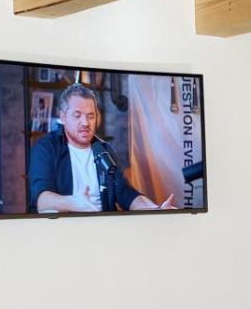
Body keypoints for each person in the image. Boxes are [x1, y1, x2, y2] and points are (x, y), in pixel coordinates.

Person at [28, 82, 174, 214]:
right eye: (77, 115)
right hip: (65, 228)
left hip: (105, 226)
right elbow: (41, 200)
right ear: (63, 117)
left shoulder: (104, 149)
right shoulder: (46, 147)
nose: (85, 122)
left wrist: (155, 209)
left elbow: (125, 193)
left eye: (90, 116)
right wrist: (74, 202)